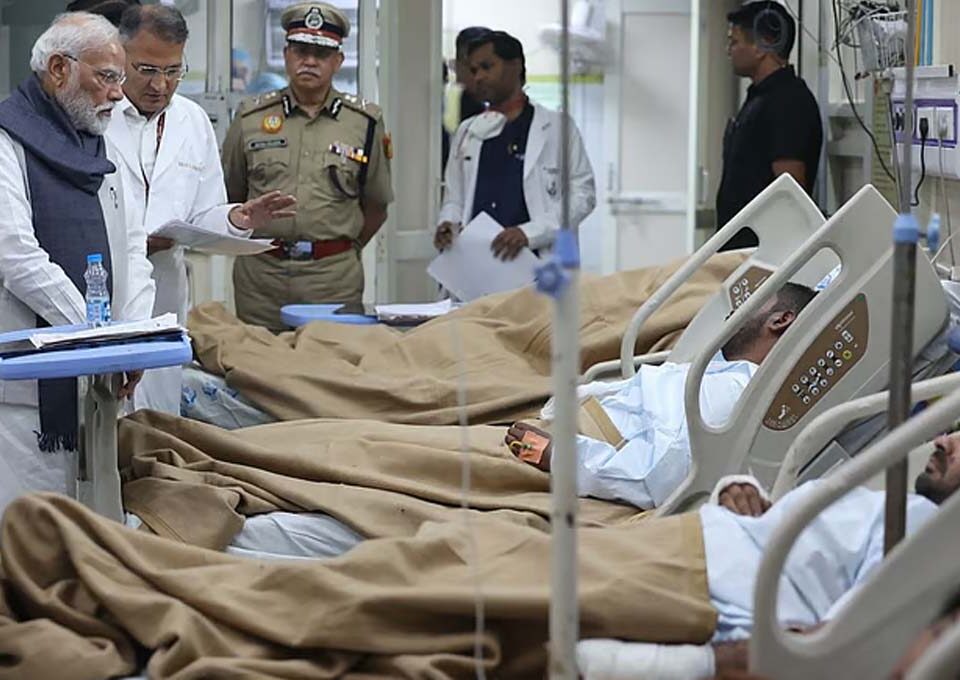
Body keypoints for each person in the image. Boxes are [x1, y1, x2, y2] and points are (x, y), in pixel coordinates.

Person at [577, 429, 960, 678]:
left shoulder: (930, 537)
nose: (943, 440)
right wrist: (742, 496)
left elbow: (823, 646)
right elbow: (807, 553)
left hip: (697, 580)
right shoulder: (901, 511)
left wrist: (692, 664)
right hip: (691, 552)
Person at [97, 3, 295, 413]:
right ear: (120, 55)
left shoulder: (193, 121)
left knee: (157, 413)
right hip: (103, 285)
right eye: (147, 70)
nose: (161, 85)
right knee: (102, 413)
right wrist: (130, 242)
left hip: (165, 287)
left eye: (174, 71)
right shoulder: (95, 113)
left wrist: (237, 218)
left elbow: (204, 212)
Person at [0, 12, 155, 512]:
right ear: (59, 69)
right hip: (27, 396)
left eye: (120, 78)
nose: (118, 93)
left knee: (97, 524)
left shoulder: (101, 145)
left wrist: (131, 338)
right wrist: (100, 339)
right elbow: (17, 256)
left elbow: (132, 247)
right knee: (34, 533)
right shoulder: (6, 143)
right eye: (106, 76)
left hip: (99, 382)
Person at [505, 282, 816, 509]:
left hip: (574, 455)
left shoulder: (736, 390)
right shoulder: (713, 370)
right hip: (561, 425)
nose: (735, 309)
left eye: (752, 301)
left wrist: (556, 455)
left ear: (780, 320)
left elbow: (655, 477)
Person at [222, 2, 394, 332]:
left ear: (338, 61)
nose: (310, 61)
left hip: (332, 279)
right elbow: (231, 195)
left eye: (322, 53)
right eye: (301, 51)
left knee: (331, 359)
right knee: (257, 359)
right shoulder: (250, 118)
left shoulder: (364, 122)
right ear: (287, 55)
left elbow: (377, 205)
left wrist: (339, 250)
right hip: (261, 278)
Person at [434, 30, 596, 262]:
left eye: (487, 67)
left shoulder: (557, 127)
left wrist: (529, 233)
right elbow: (454, 199)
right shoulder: (467, 131)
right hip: (477, 263)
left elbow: (583, 194)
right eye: (474, 70)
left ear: (515, 66)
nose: (478, 77)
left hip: (538, 262)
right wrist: (448, 223)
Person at [715, 1, 823, 251]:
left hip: (764, 255)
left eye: (734, 42)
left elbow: (791, 193)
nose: (728, 50)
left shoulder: (788, 101)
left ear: (762, 45)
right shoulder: (759, 98)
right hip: (740, 251)